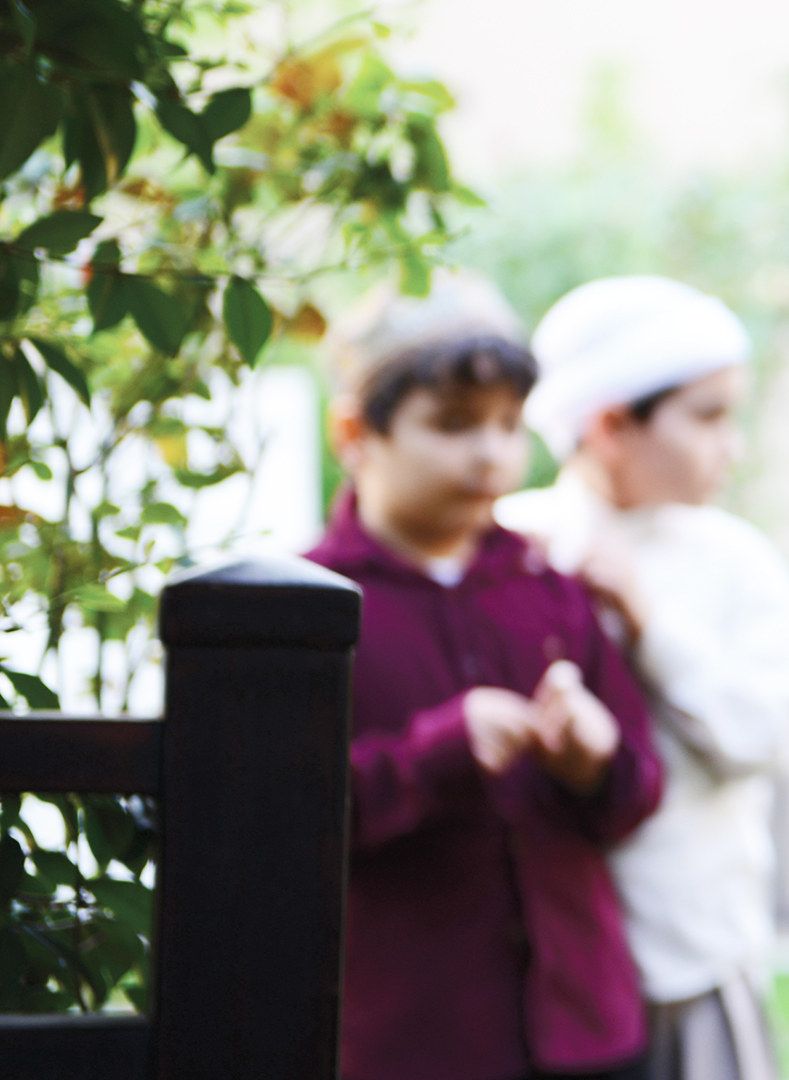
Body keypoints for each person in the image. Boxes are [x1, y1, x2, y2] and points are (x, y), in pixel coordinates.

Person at [307, 275, 666, 1080]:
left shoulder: (551, 589)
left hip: (587, 1030)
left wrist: (594, 759)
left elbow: (638, 791)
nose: (491, 453)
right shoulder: (310, 611)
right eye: (453, 425)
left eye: (508, 425)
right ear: (355, 432)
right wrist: (439, 749)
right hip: (416, 1040)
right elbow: (285, 822)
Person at [496, 277, 789, 1080]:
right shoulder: (516, 546)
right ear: (609, 424)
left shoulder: (735, 561)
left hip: (691, 962)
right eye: (707, 416)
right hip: (535, 968)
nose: (729, 445)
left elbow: (772, 736)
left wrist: (653, 630)